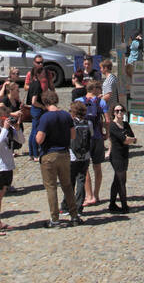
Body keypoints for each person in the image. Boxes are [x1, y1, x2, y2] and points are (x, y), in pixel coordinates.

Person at [35, 89, 81, 227]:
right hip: (65, 154)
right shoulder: (66, 115)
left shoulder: (45, 117)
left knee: (51, 187)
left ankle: (55, 219)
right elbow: (73, 136)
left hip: (49, 155)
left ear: (45, 102)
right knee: (67, 186)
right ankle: (74, 216)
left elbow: (39, 139)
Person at [0, 104, 24, 234]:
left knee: (0, 196)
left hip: (7, 166)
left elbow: (21, 140)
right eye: (6, 118)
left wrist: (17, 128)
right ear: (0, 118)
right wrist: (5, 129)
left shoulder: (9, 129)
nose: (8, 120)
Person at [78, 78, 109, 205]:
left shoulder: (78, 101)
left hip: (84, 138)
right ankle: (96, 194)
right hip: (97, 137)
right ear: (95, 89)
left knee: (84, 168)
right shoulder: (101, 102)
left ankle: (89, 195)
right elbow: (107, 120)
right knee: (97, 166)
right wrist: (107, 133)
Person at [106, 103, 136, 213]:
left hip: (124, 155)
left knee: (117, 181)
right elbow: (125, 140)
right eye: (117, 111)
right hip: (116, 156)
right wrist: (130, 139)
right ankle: (124, 206)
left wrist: (131, 139)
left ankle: (112, 204)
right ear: (113, 113)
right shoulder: (113, 126)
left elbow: (133, 138)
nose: (119, 113)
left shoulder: (126, 124)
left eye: (121, 110)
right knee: (122, 181)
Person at [24, 55, 52, 160]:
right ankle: (35, 154)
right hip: (37, 108)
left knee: (35, 131)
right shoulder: (36, 85)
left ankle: (33, 153)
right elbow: (34, 101)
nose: (41, 64)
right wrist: (43, 107)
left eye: (42, 62)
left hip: (39, 107)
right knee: (36, 131)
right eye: (38, 62)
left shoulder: (36, 83)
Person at [69, 99, 93, 212]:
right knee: (81, 180)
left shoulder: (71, 123)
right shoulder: (88, 123)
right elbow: (91, 136)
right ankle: (79, 207)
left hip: (73, 156)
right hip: (85, 155)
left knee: (70, 181)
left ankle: (67, 206)